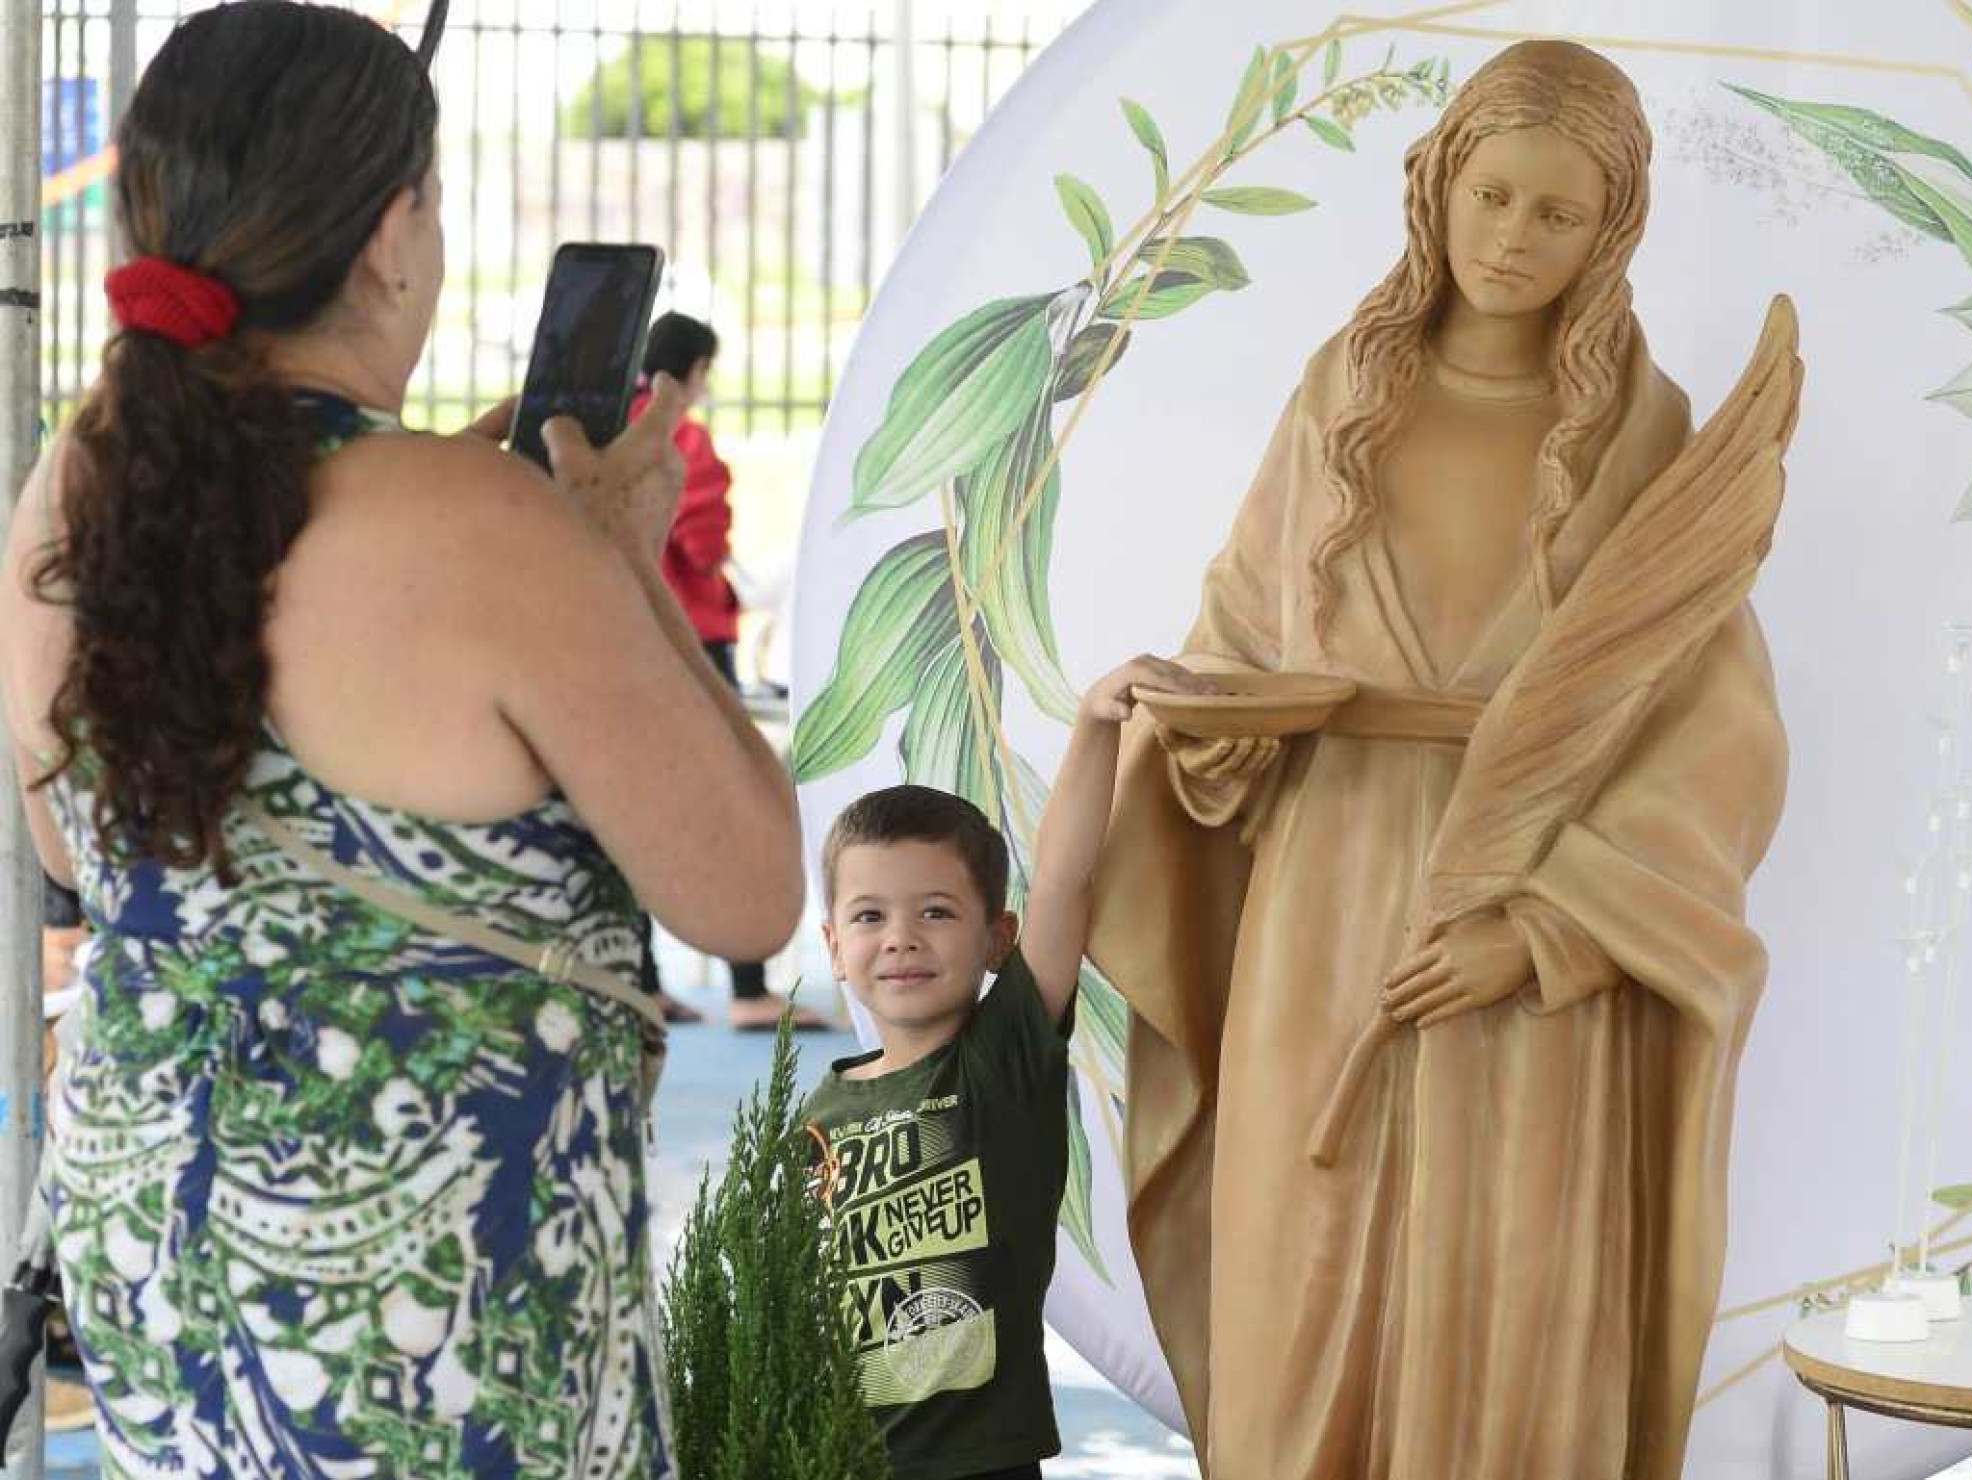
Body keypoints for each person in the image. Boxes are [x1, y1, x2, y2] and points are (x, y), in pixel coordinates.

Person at [0, 5, 802, 1475]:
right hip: (423, 1313)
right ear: (390, 233)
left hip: (159, 1268)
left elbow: (80, 846)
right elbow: (747, 894)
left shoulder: (73, 487)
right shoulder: (485, 526)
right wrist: (616, 555)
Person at [1087, 41, 1799, 1480]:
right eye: (1490, 195)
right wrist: (1193, 713)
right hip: (1326, 892)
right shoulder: (1342, 390)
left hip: (1521, 916)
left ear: (1614, 229)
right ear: (1434, 186)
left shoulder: (1637, 437)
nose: (1511, 238)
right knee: (1301, 1271)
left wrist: (1544, 937)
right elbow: (1241, 619)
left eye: (1555, 212)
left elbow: (1709, 733)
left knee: (1507, 1287)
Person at [803, 656, 1210, 1480]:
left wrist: (1097, 724)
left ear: (998, 938)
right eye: (870, 916)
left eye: (937, 912)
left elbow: (1064, 880)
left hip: (976, 1464)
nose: (901, 937)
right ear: (834, 949)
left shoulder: (999, 1064)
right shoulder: (817, 1112)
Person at [629, 311, 829, 1031]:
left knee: (626, 808)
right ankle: (750, 988)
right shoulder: (683, 442)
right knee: (730, 803)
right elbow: (704, 540)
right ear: (687, 373)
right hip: (691, 644)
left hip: (622, 641)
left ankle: (642, 978)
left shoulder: (601, 436)